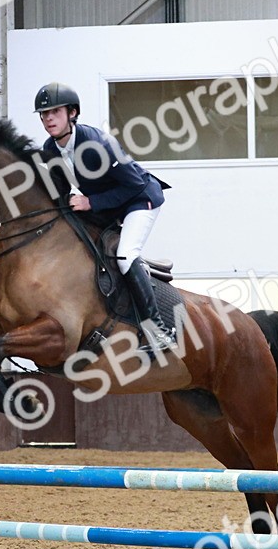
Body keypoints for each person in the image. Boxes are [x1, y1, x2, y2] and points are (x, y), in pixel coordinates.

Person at [34, 82, 175, 350]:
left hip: (140, 198)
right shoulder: (50, 149)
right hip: (108, 205)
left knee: (124, 256)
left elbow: (133, 183)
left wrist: (91, 201)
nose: (48, 118)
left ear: (72, 113)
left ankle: (160, 333)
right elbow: (61, 190)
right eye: (44, 114)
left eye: (55, 111)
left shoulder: (97, 143)